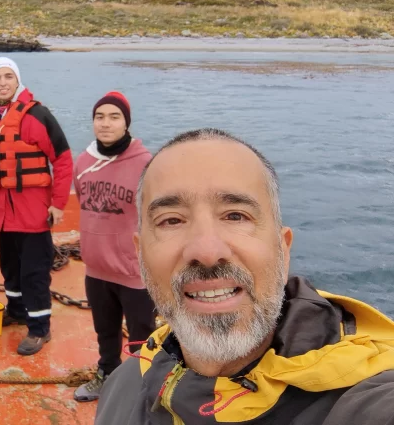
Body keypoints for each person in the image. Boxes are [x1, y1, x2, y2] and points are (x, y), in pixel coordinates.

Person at [95, 128, 394, 425]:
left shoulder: (365, 399)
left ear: (283, 248)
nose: (207, 251)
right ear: (140, 255)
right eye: (171, 220)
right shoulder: (124, 385)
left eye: (236, 216)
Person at [0, 57, 73, 355]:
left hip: (34, 212)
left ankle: (39, 328)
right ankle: (16, 310)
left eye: (8, 76)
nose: (2, 82)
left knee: (34, 272)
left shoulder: (38, 115)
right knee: (9, 267)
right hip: (0, 213)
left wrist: (58, 203)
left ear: (17, 80)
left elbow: (62, 159)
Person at [72, 91, 157, 402]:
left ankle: (142, 389)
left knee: (141, 337)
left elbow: (156, 214)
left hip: (133, 271)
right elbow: (83, 201)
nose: (105, 124)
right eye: (99, 117)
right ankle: (107, 375)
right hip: (96, 269)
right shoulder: (82, 162)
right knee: (105, 332)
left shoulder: (145, 164)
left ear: (126, 123)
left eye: (114, 117)